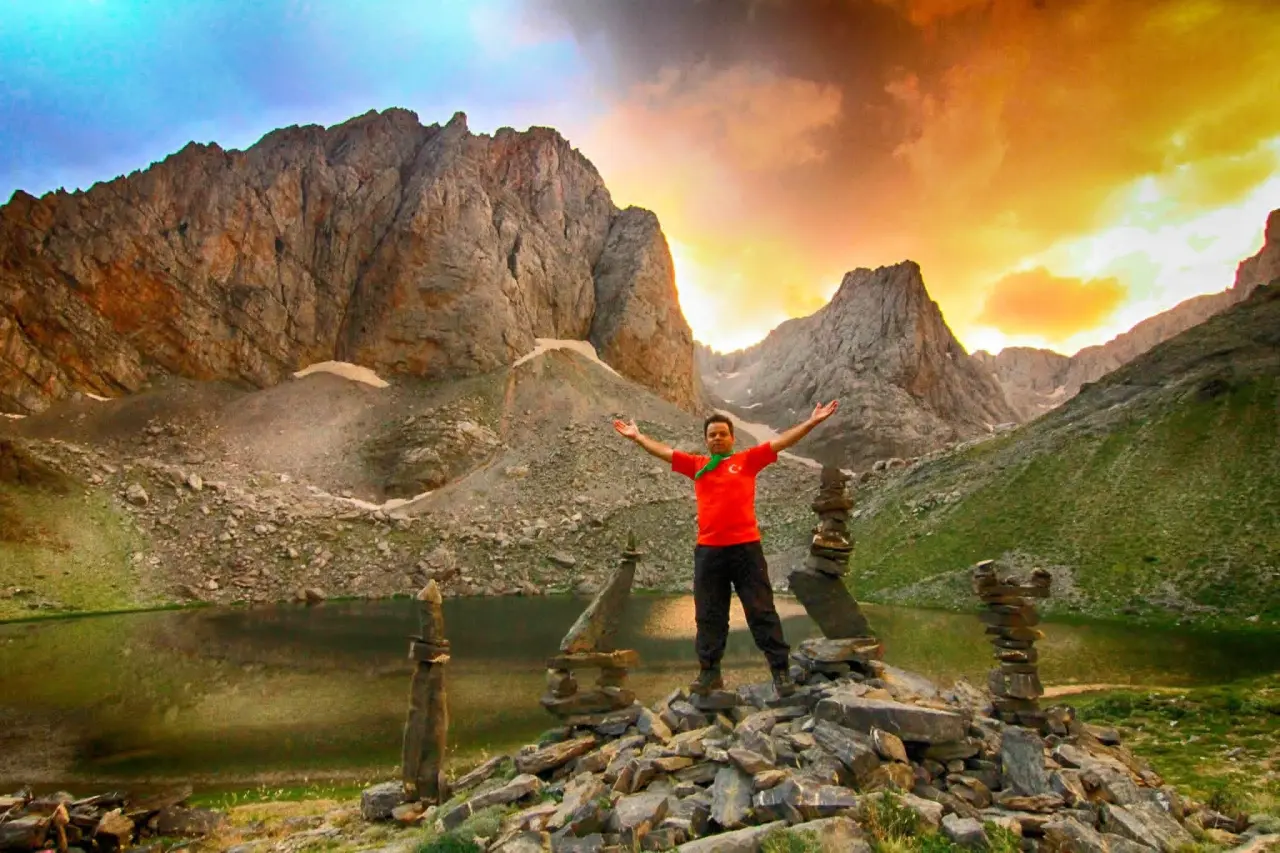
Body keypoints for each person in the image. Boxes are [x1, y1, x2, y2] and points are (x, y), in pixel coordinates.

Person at [612, 402, 839, 697]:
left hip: (746, 550)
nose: (717, 438)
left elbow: (781, 442)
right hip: (709, 553)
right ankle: (710, 674)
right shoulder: (696, 465)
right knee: (709, 614)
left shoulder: (747, 461)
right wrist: (637, 437)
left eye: (722, 433)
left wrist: (812, 422)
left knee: (761, 610)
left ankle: (780, 671)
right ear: (706, 440)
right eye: (712, 435)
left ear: (732, 438)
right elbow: (665, 453)